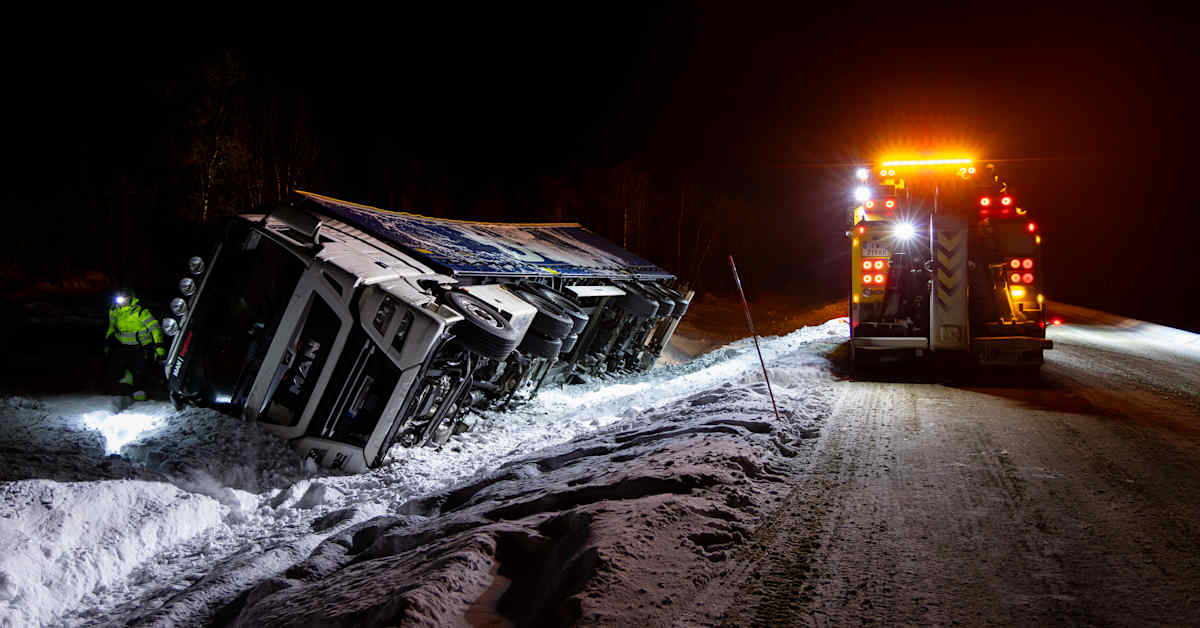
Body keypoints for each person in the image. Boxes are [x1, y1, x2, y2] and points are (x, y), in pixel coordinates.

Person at [104, 290, 166, 401]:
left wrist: (159, 346)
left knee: (140, 369)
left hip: (141, 346)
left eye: (125, 298)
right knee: (115, 366)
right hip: (123, 345)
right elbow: (111, 327)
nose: (122, 301)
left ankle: (140, 391)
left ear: (130, 298)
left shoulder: (141, 312)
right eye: (120, 298)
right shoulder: (114, 311)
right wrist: (108, 341)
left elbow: (155, 329)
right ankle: (122, 387)